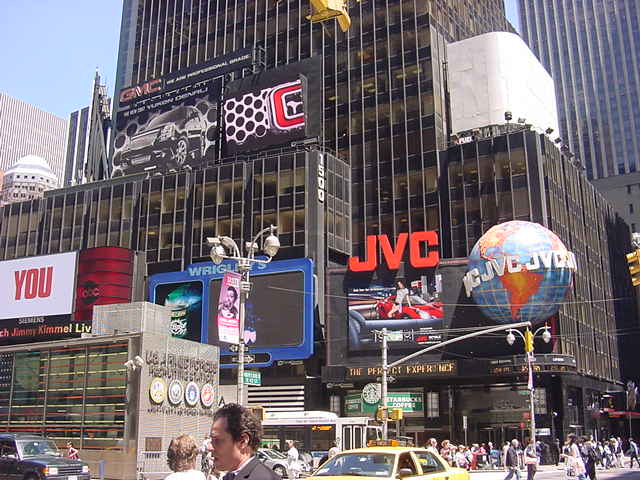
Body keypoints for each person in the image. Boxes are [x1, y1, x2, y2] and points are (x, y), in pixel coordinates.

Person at [209, 403, 280, 480]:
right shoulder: (231, 476)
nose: (210, 447)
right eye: (211, 440)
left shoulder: (263, 478)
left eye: (217, 440)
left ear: (242, 441)